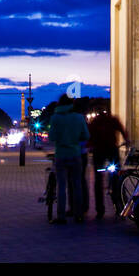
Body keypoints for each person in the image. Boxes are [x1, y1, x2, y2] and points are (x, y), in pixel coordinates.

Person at [47, 96, 89, 224]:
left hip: (61, 155)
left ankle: (61, 216)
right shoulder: (79, 117)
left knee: (61, 186)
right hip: (75, 154)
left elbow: (52, 137)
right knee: (77, 185)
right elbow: (86, 135)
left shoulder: (55, 118)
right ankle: (79, 215)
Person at [87, 108, 130, 217]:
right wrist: (127, 141)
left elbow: (89, 136)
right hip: (112, 150)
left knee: (98, 180)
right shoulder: (112, 120)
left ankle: (100, 210)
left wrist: (90, 145)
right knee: (117, 178)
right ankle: (119, 204)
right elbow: (122, 131)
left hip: (99, 152)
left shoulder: (95, 122)